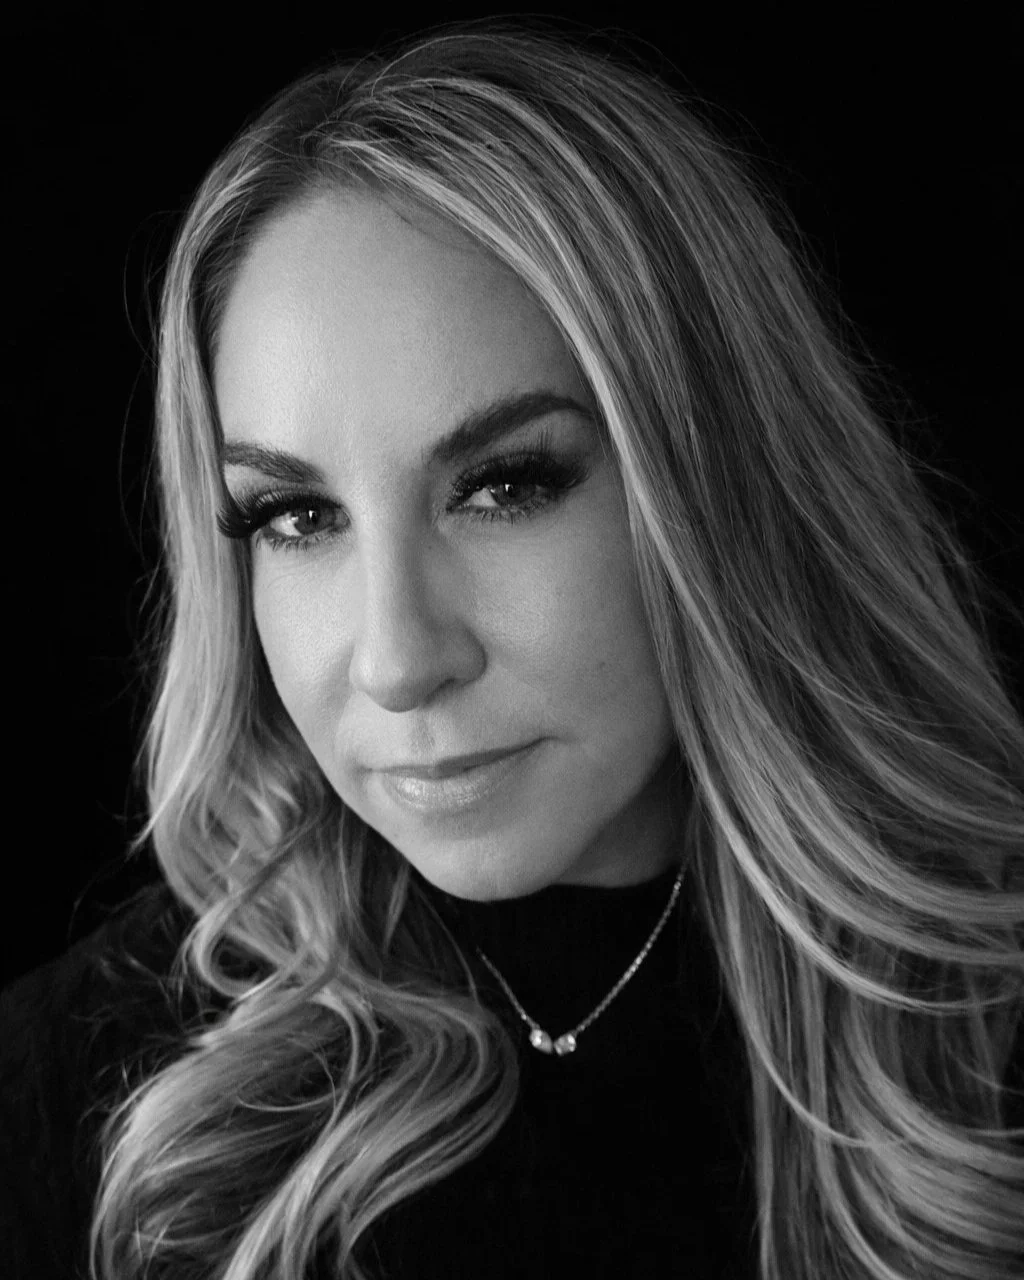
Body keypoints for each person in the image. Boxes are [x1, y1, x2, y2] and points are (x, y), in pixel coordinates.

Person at [2, 16, 1022, 1280]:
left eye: (503, 486)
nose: (395, 658)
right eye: (295, 515)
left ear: (721, 483)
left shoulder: (985, 1014)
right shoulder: (92, 1087)